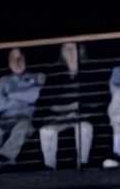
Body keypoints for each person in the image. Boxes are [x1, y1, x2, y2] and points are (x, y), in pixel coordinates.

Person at [37, 40, 97, 169]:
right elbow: (46, 103)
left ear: (81, 52)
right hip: (59, 118)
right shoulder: (55, 74)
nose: (70, 53)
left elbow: (93, 101)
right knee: (46, 131)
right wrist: (69, 108)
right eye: (66, 49)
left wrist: (77, 107)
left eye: (73, 49)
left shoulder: (88, 73)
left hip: (81, 118)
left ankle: (83, 164)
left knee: (85, 128)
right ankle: (49, 168)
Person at [0, 46, 43, 166]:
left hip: (26, 119)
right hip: (6, 120)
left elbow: (35, 95)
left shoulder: (38, 76)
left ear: (25, 59)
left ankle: (5, 157)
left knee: (23, 126)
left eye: (20, 58)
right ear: (9, 63)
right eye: (13, 59)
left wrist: (10, 95)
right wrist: (23, 99)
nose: (17, 62)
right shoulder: (3, 80)